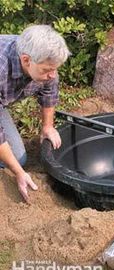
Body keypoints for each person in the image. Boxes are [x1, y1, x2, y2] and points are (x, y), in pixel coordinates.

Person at [0, 25, 70, 203]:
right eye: (47, 70)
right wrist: (18, 173)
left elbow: (49, 91)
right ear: (25, 60)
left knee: (18, 157)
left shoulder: (43, 58)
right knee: (14, 164)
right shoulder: (2, 68)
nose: (52, 75)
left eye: (55, 69)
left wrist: (47, 126)